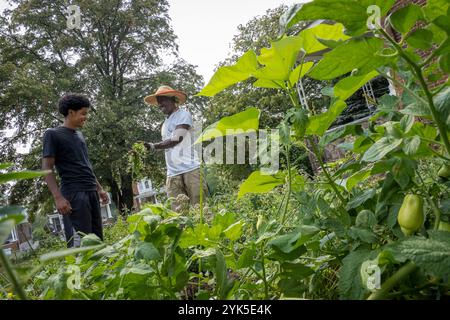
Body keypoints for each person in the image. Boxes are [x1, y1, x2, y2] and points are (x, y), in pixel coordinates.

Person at [42, 93, 108, 247]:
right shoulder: (53, 134)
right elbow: (46, 167)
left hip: (91, 191)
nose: (86, 117)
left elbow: (85, 165)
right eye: (83, 113)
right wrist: (58, 197)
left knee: (97, 242)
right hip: (74, 194)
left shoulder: (79, 135)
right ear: (71, 112)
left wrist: (100, 189)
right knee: (81, 243)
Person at [143, 85, 208, 210]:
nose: (160, 104)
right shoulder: (165, 124)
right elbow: (168, 147)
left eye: (163, 100)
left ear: (173, 99)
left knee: (200, 209)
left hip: (190, 169)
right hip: (172, 173)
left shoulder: (183, 115)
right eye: (158, 101)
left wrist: (153, 146)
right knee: (178, 213)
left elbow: (177, 139)